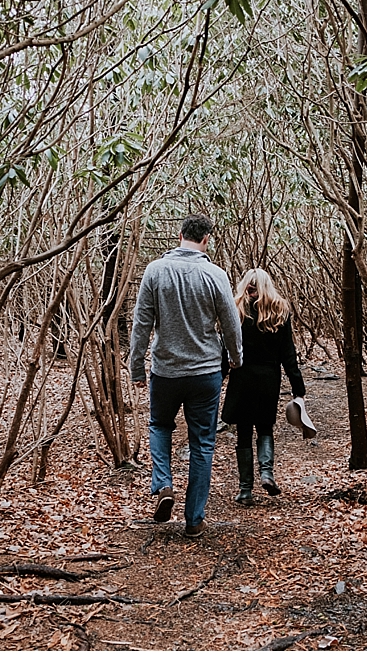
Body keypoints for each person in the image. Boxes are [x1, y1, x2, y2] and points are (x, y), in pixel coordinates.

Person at [129, 214, 243, 537]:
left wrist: (137, 368)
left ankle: (164, 483)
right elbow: (231, 324)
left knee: (160, 425)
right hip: (205, 372)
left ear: (179, 235)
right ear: (206, 239)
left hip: (165, 371)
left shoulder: (154, 272)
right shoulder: (215, 275)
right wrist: (235, 359)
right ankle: (194, 520)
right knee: (202, 443)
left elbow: (141, 326)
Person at [220, 268, 305, 505]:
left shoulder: (236, 309)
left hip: (242, 377)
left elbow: (226, 348)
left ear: (246, 285)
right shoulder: (279, 311)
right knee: (265, 427)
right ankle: (266, 474)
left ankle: (245, 490)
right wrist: (298, 387)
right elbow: (289, 354)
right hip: (269, 379)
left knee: (244, 432)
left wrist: (220, 376)